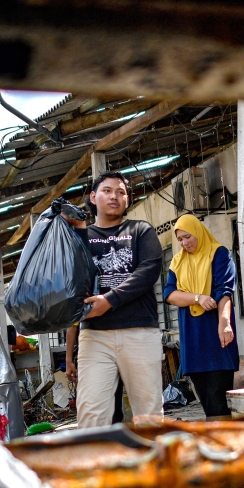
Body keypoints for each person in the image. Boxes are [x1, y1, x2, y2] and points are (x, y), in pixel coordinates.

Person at [62, 171, 164, 428]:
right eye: (107, 191)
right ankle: (98, 456)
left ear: (127, 200)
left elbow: (148, 270)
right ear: (93, 197)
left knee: (149, 415)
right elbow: (71, 278)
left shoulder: (140, 230)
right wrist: (69, 228)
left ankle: (152, 456)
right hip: (95, 335)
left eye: (121, 192)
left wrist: (109, 300)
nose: (114, 196)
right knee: (91, 414)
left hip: (139, 330)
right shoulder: (81, 237)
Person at [163, 214, 239, 417]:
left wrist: (225, 323)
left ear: (198, 232)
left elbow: (224, 292)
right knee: (205, 399)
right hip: (192, 336)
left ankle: (221, 434)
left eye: (188, 236)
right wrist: (197, 298)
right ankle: (216, 433)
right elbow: (170, 294)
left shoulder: (218, 254)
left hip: (215, 334)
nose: (184, 243)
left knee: (218, 399)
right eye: (180, 239)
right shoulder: (178, 261)